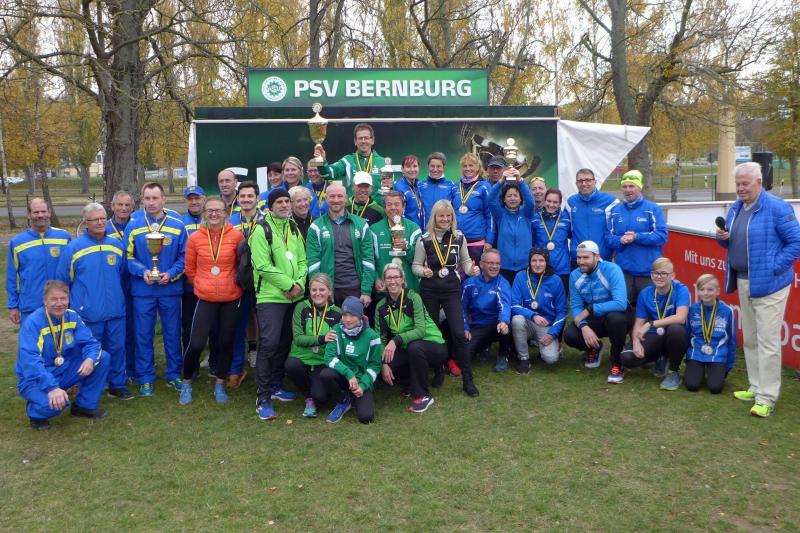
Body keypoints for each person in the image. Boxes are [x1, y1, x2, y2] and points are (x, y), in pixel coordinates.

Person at [716, 162, 800, 417]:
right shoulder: (736, 207)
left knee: (767, 341)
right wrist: (723, 238)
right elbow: (731, 241)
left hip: (770, 285)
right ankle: (755, 387)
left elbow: (795, 242)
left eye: (745, 183)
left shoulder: (777, 207)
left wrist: (774, 267)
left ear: (759, 182)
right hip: (743, 280)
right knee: (751, 338)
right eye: (738, 184)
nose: (740, 188)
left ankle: (767, 397)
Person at [57, 203, 132, 400]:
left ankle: (118, 384)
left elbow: (123, 275)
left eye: (102, 218)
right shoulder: (74, 248)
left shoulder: (116, 245)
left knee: (117, 348)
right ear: (86, 223)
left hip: (115, 310)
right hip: (88, 313)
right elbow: (63, 281)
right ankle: (89, 389)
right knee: (89, 352)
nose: (100, 222)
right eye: (95, 219)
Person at [16, 280, 110, 430]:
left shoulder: (72, 316)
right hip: (35, 378)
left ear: (68, 299)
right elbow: (30, 362)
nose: (59, 303)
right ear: (45, 300)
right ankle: (35, 411)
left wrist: (90, 359)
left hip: (63, 369)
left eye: (63, 298)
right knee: (57, 405)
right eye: (54, 299)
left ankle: (84, 406)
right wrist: (51, 388)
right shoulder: (33, 323)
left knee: (102, 358)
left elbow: (91, 343)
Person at [124, 182, 188, 396]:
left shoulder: (177, 225)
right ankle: (145, 378)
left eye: (155, 198)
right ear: (142, 199)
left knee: (172, 333)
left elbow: (185, 257)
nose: (151, 202)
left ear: (163, 199)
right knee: (143, 335)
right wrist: (142, 271)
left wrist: (170, 274)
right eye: (148, 198)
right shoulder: (133, 225)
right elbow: (127, 257)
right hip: (143, 290)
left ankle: (174, 374)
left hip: (170, 289)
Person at [179, 197, 245, 405]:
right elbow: (189, 269)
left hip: (231, 297)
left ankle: (219, 384)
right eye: (210, 210)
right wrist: (201, 284)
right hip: (206, 297)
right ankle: (186, 382)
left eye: (218, 210)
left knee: (226, 342)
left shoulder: (236, 236)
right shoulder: (195, 238)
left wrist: (233, 284)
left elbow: (242, 266)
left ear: (226, 213)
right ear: (204, 213)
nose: (214, 214)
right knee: (196, 343)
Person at [412, 199, 481, 396]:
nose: (445, 219)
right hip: (430, 290)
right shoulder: (424, 239)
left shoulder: (459, 237)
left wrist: (471, 269)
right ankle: (438, 370)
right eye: (441, 216)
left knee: (459, 333)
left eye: (448, 216)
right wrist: (422, 272)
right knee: (434, 334)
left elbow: (465, 261)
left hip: (451, 290)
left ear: (452, 217)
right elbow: (415, 265)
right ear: (434, 217)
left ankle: (468, 379)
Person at [251, 188, 308, 420]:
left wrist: (300, 284)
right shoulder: (261, 229)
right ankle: (263, 396)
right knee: (269, 344)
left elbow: (303, 260)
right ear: (270, 206)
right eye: (279, 202)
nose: (284, 205)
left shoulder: (293, 227)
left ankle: (275, 385)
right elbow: (262, 265)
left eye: (287, 201)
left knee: (285, 342)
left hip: (294, 296)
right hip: (271, 297)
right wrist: (288, 285)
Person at [376, 263, 447, 413]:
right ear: (384, 281)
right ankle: (410, 382)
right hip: (409, 348)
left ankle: (423, 395)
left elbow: (420, 330)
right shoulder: (381, 306)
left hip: (433, 345)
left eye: (396, 277)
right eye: (389, 278)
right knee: (388, 363)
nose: (393, 281)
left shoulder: (413, 298)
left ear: (402, 279)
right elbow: (379, 339)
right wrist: (384, 364)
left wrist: (395, 340)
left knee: (415, 347)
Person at [563, 240, 629, 383]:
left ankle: (617, 363)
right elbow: (576, 306)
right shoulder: (575, 275)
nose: (581, 262)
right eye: (578, 257)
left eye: (586, 257)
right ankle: (595, 348)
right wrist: (584, 327)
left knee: (616, 319)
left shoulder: (612, 269)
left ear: (597, 257)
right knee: (570, 335)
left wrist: (591, 309)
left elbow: (620, 303)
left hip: (617, 314)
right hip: (596, 317)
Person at [623, 257, 690, 390]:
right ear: (651, 275)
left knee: (676, 330)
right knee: (627, 358)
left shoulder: (681, 290)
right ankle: (659, 358)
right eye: (656, 273)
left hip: (673, 334)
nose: (659, 277)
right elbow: (639, 322)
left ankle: (673, 371)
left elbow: (681, 317)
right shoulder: (645, 293)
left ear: (672, 275)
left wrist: (650, 324)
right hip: (655, 334)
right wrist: (635, 341)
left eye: (663, 273)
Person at [306, 183, 376, 306]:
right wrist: (319, 290)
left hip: (355, 288)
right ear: (326, 198)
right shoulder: (316, 226)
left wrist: (366, 291)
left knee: (354, 320)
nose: (336, 200)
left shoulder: (361, 224)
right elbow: (313, 263)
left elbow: (368, 260)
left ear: (346, 198)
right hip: (328, 290)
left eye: (340, 196)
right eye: (332, 196)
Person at [606, 170, 668, 307]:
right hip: (624, 272)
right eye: (624, 186)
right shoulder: (616, 211)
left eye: (632, 186)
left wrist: (637, 237)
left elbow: (662, 236)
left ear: (640, 187)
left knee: (650, 309)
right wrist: (620, 241)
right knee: (622, 310)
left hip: (648, 273)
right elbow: (608, 238)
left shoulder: (652, 209)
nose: (628, 190)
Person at [285, 274, 342, 418]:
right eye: (314, 290)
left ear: (329, 291)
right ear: (309, 291)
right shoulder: (301, 307)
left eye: (322, 290)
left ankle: (318, 392)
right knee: (291, 365)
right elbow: (298, 338)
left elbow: (338, 342)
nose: (318, 293)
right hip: (302, 357)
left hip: (322, 361)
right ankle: (308, 398)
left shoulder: (338, 313)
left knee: (321, 397)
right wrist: (322, 338)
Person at [319, 296, 383, 424]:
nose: (347, 319)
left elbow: (375, 366)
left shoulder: (373, 336)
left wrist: (363, 385)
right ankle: (343, 400)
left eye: (352, 315)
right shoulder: (336, 329)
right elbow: (329, 357)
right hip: (344, 376)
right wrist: (349, 374)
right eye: (344, 315)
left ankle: (355, 395)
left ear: (360, 316)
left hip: (361, 379)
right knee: (326, 374)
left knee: (366, 417)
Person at [7, 198, 71, 325]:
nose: (40, 215)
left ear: (49, 212)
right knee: (32, 338)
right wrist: (13, 306)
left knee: (61, 338)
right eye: (36, 212)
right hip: (31, 306)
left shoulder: (64, 237)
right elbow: (11, 278)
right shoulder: (17, 242)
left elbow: (73, 271)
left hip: (59, 304)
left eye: (43, 211)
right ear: (29, 214)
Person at [227, 180, 263, 383]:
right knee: (237, 327)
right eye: (243, 196)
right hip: (238, 283)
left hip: (263, 283)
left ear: (257, 198)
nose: (246, 199)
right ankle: (236, 369)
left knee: (266, 328)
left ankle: (266, 372)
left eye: (250, 196)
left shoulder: (267, 220)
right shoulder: (229, 221)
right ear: (238, 198)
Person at [510, 248, 567, 373]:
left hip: (546, 326)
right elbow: (513, 305)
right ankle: (523, 358)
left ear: (547, 262)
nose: (537, 264)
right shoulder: (521, 276)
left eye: (541, 260)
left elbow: (562, 312)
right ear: (529, 262)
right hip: (527, 322)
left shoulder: (556, 280)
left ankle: (551, 348)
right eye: (534, 260)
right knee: (516, 320)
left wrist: (552, 333)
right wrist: (533, 315)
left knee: (551, 359)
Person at [462, 249, 513, 372]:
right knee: (464, 356)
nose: (495, 266)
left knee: (506, 328)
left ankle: (504, 355)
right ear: (481, 264)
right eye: (490, 263)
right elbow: (461, 308)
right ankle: (484, 346)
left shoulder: (503, 283)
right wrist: (465, 328)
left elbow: (504, 305)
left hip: (496, 324)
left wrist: (503, 321)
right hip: (478, 326)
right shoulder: (469, 284)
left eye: (497, 263)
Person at [684, 274, 736, 394]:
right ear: (698, 291)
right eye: (702, 289)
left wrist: (728, 365)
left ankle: (715, 371)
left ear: (717, 291)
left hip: (718, 355)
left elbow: (731, 340)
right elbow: (687, 334)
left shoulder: (727, 311)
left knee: (715, 388)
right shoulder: (692, 310)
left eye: (710, 289)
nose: (706, 293)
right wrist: (688, 359)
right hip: (696, 353)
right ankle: (696, 369)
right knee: (692, 385)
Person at [487, 168, 536, 283]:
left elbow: (530, 202)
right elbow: (490, 200)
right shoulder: (500, 215)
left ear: (520, 198)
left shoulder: (526, 213)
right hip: (504, 267)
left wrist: (520, 181)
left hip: (524, 266)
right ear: (504, 199)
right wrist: (501, 181)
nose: (512, 198)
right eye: (509, 196)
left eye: (515, 195)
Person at [107, 190, 136, 379]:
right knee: (113, 331)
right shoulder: (104, 228)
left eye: (127, 205)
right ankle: (113, 368)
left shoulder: (138, 225)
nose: (123, 208)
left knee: (133, 328)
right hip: (113, 285)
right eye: (120, 204)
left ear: (133, 207)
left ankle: (132, 368)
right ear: (112, 206)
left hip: (135, 283)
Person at [371, 191, 422, 293]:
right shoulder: (374, 230)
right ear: (384, 208)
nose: (393, 208)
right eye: (389, 204)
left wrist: (406, 248)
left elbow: (419, 261)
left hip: (409, 290)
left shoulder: (414, 229)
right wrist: (376, 278)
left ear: (403, 207)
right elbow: (369, 260)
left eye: (397, 204)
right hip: (384, 290)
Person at [316, 123, 386, 197]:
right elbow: (327, 175)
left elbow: (389, 188)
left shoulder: (383, 163)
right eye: (360, 138)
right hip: (352, 204)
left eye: (366, 138)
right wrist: (320, 161)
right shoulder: (347, 161)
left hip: (376, 204)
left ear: (372, 140)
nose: (363, 141)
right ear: (355, 141)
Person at [566, 168, 618, 262]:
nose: (584, 184)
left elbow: (617, 230)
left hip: (602, 259)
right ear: (576, 183)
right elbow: (567, 230)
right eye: (580, 181)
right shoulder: (571, 202)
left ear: (595, 182)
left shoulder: (610, 201)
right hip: (578, 259)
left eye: (588, 180)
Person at [453, 153, 492, 262]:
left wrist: (489, 240)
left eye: (471, 165)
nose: (468, 168)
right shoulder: (455, 187)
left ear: (478, 167)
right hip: (457, 240)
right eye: (465, 166)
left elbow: (490, 215)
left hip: (476, 241)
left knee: (475, 271)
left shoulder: (484, 186)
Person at [180, 185, 205, 355]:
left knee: (212, 324)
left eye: (197, 198)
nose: (194, 202)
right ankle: (189, 360)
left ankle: (212, 360)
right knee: (188, 324)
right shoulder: (180, 222)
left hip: (209, 281)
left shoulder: (212, 219)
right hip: (188, 283)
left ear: (204, 199)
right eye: (190, 199)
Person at [532, 188, 572, 293]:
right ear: (544, 200)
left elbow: (572, 236)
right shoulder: (535, 218)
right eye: (549, 201)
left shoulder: (566, 218)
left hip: (562, 268)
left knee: (561, 300)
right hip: (541, 267)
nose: (551, 205)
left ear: (560, 203)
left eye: (555, 202)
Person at [418, 152, 456, 226]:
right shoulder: (420, 185)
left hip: (445, 230)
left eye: (438, 166)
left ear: (443, 167)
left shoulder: (451, 185)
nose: (435, 169)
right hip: (425, 230)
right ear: (428, 167)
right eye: (432, 166)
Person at [394, 155, 424, 228]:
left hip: (421, 228)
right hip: (408, 229)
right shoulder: (399, 187)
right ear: (402, 169)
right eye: (408, 166)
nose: (412, 169)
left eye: (415, 166)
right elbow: (398, 213)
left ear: (419, 168)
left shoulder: (419, 185)